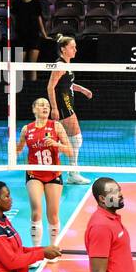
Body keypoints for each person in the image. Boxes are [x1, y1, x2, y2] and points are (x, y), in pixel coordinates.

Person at [18, 96, 71, 247]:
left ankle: (53, 248)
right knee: (36, 211)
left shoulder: (56, 126)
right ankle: (36, 250)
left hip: (53, 174)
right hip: (34, 174)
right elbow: (18, 149)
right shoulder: (26, 129)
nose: (45, 107)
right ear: (34, 109)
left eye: (47, 105)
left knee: (53, 214)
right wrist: (11, 153)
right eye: (41, 105)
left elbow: (70, 152)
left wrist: (56, 144)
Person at [46, 34, 92, 185]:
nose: (75, 50)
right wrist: (54, 108)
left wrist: (83, 90)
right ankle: (72, 173)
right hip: (62, 106)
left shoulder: (67, 64)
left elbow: (68, 85)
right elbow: (51, 87)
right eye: (72, 47)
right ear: (63, 49)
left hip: (67, 105)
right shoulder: (59, 65)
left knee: (69, 139)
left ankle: (64, 170)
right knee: (76, 139)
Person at [10, 0, 48, 66]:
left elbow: (39, 19)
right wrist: (13, 32)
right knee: (19, 65)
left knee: (32, 66)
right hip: (20, 36)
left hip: (34, 36)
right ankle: (20, 79)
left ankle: (32, 80)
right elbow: (12, 18)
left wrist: (44, 34)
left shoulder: (35, 3)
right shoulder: (16, 3)